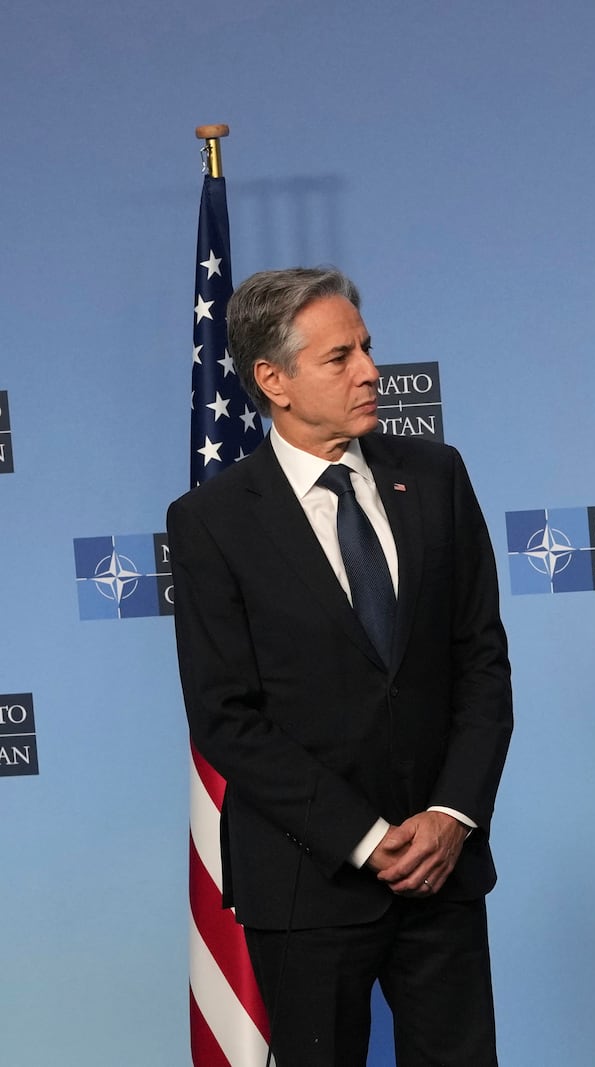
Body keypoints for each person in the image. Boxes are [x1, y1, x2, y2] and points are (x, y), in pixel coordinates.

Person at [169, 267, 514, 1065]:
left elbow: (482, 663)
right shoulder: (212, 522)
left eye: (366, 347)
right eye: (338, 357)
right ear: (272, 381)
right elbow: (226, 715)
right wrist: (365, 838)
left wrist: (450, 817)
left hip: (443, 872)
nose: (369, 370)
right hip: (307, 883)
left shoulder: (435, 475)